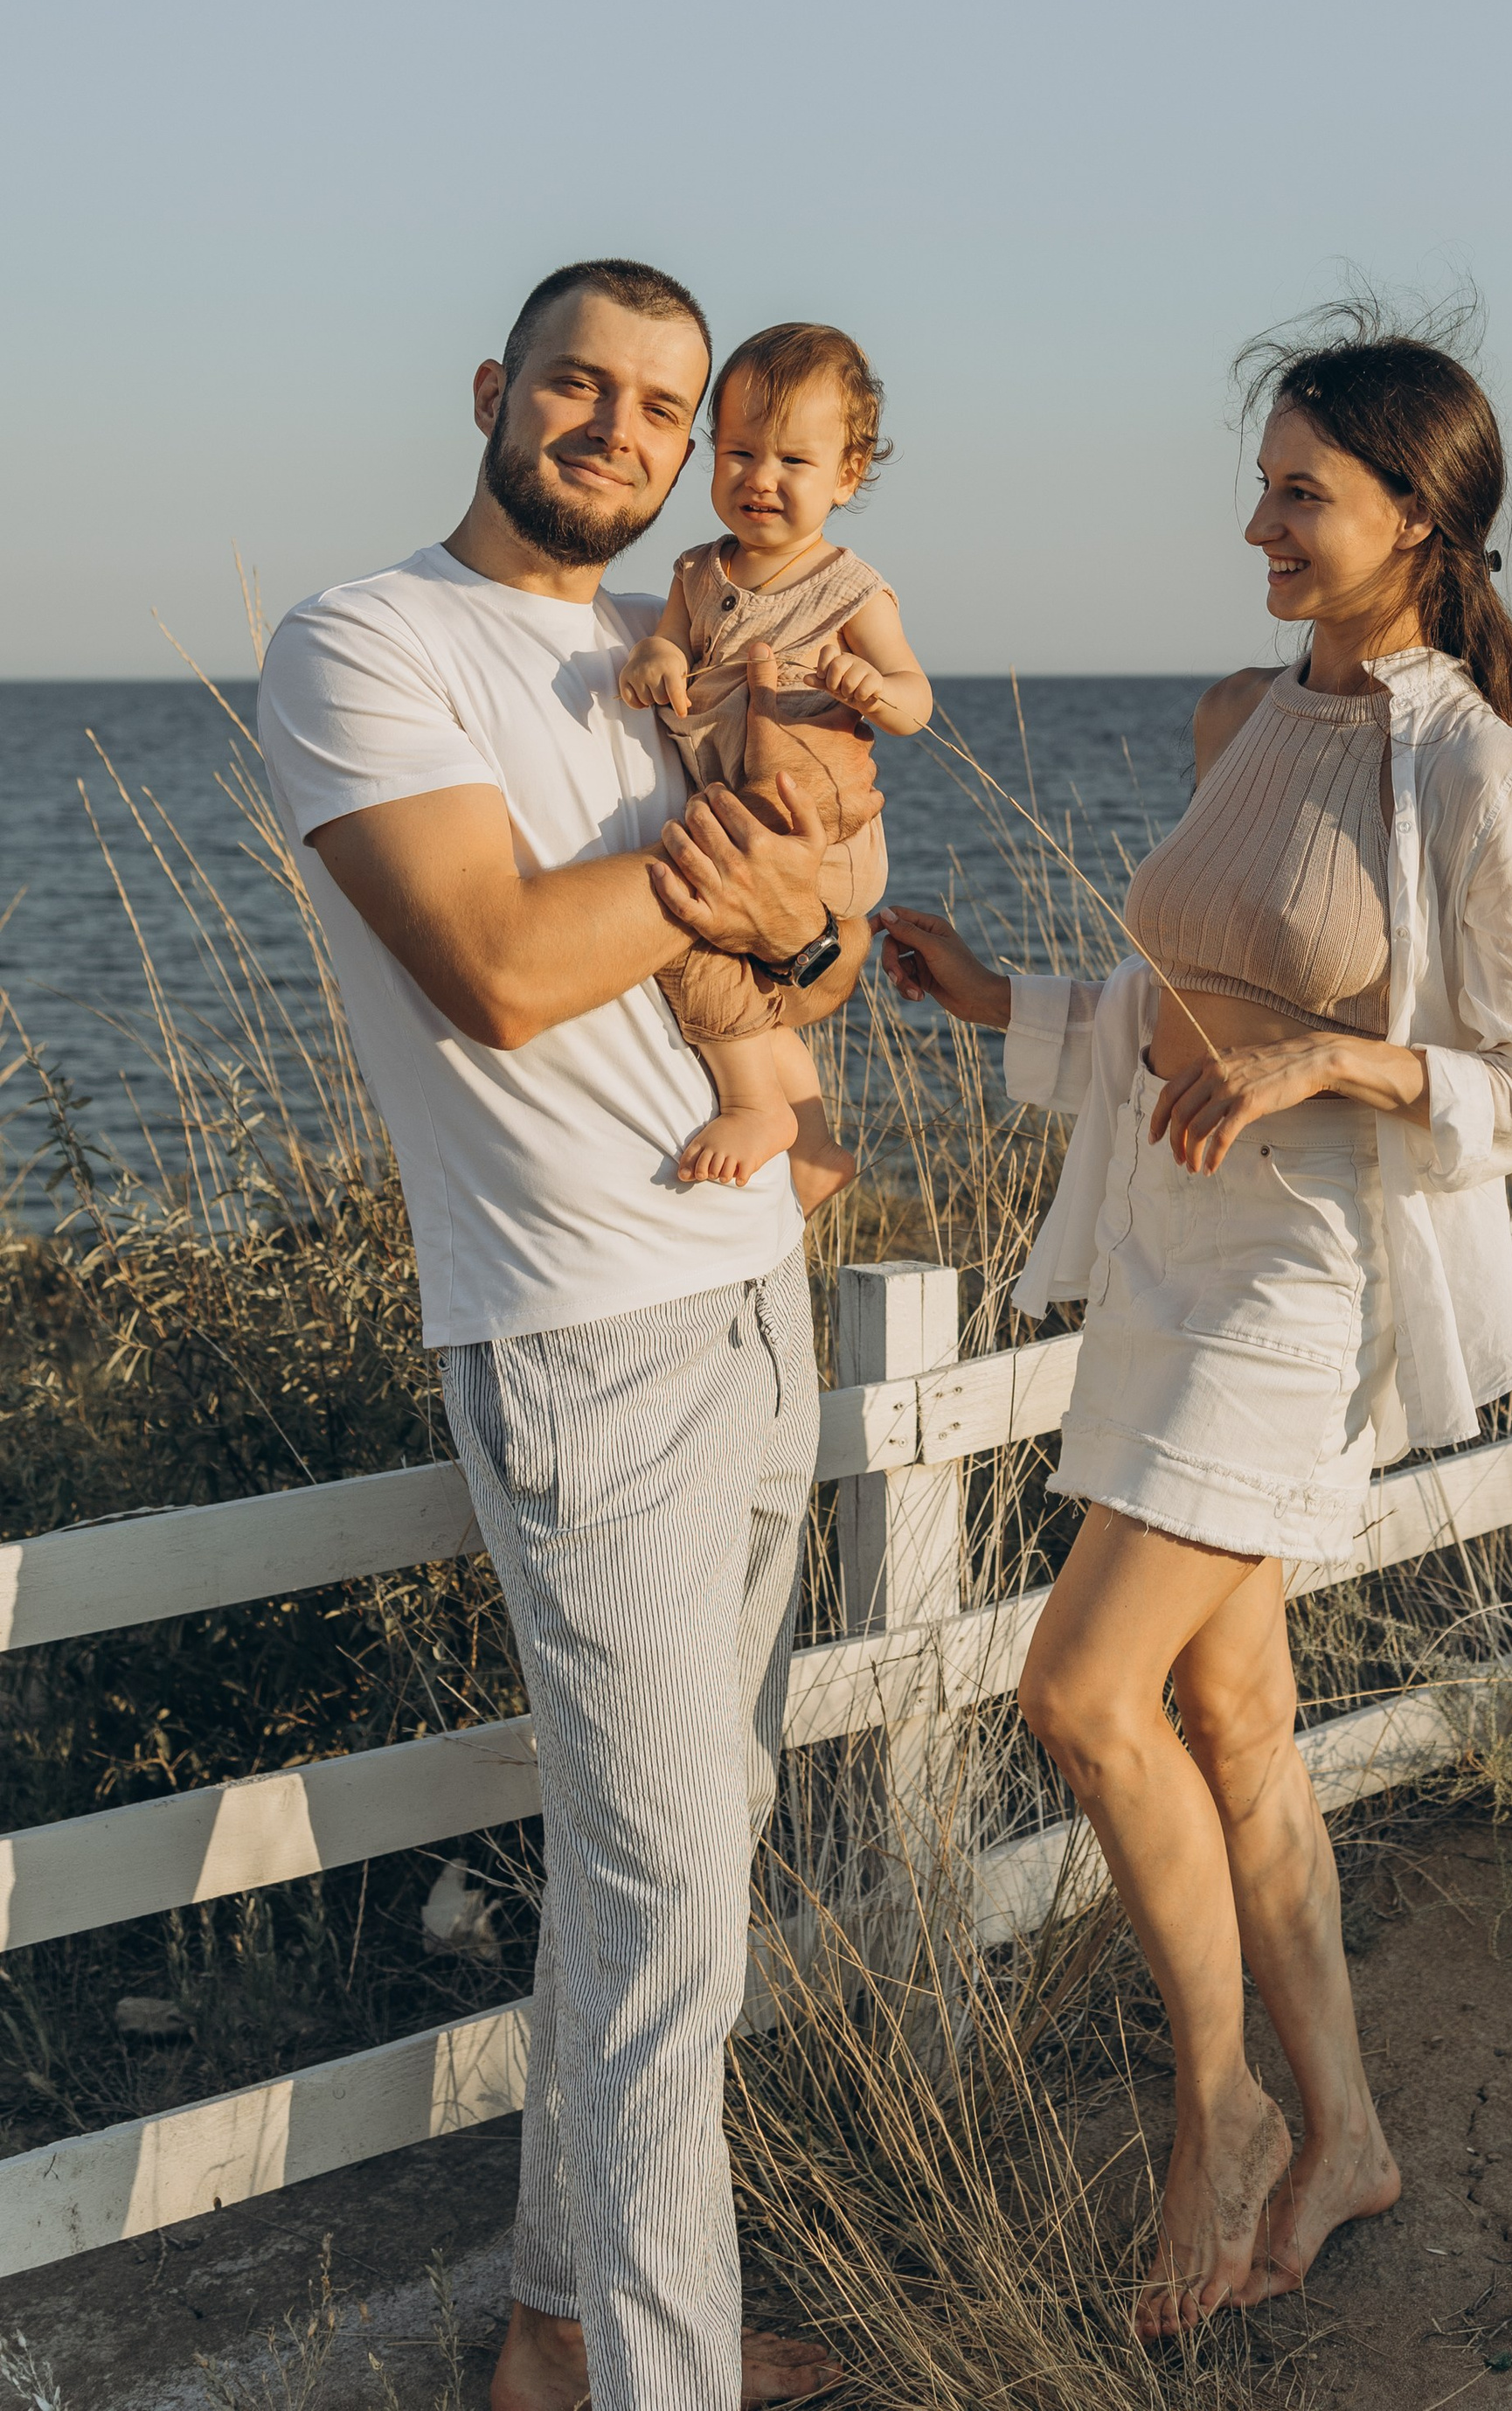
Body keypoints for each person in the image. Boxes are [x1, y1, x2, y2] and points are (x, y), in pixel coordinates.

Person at [877, 307, 1512, 2337]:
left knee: (1077, 1693)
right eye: (1263, 483)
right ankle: (1347, 2129)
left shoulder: (1476, 772)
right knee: (1231, 1716)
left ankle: (1224, 2117)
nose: (1259, 522)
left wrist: (1328, 1072)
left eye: (1303, 492)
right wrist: (998, 995)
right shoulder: (1233, 718)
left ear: (1416, 525)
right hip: (1168, 1257)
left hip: (1299, 1282)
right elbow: (1177, 1004)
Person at [257, 257, 871, 2411]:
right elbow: (503, 968)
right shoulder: (363, 639)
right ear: (497, 388)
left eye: (664, 403)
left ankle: (552, 2326)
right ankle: (659, 2386)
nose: (619, 429)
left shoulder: (666, 641)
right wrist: (752, 879)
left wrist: (784, 909)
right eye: (581, 385)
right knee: (676, 1903)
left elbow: (812, 947)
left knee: (671, 1876)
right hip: (576, 1343)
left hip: (747, 1303)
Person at [621, 320, 932, 1210]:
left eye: (792, 461)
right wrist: (657, 659)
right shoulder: (694, 572)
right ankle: (818, 1140)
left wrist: (871, 687)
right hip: (744, 809)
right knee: (748, 977)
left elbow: (916, 704)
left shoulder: (847, 588)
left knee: (693, 946)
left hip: (813, 830)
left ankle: (759, 1107)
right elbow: (669, 648)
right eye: (740, 452)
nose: (760, 479)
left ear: (847, 473)